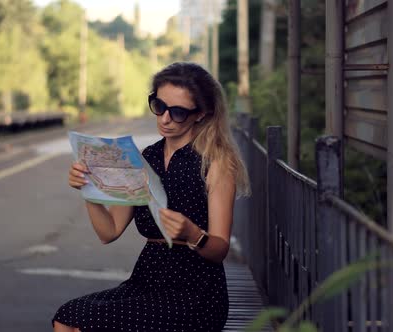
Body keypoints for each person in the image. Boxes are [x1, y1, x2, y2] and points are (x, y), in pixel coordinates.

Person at [53, 62, 250, 332]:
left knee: (84, 324)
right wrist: (90, 191)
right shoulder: (144, 158)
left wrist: (193, 234)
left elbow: (220, 250)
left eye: (178, 112)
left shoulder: (216, 162)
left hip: (196, 293)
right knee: (67, 317)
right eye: (159, 106)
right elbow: (108, 232)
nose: (165, 119)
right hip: (146, 281)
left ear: (201, 113)